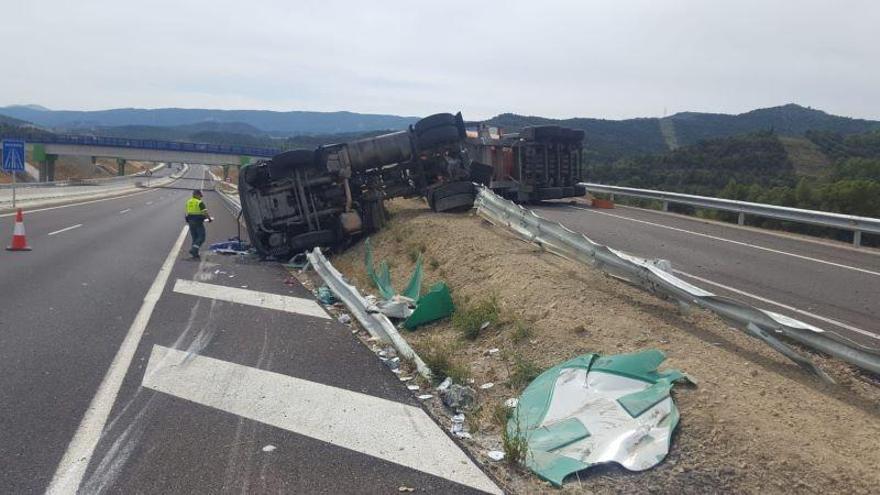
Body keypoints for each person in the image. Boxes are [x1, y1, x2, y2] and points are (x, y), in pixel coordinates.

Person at [185, 190, 213, 259]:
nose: (201, 197)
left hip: (190, 222)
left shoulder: (188, 201)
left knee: (195, 238)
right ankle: (193, 250)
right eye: (200, 196)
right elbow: (205, 212)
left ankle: (195, 254)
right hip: (198, 222)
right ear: (197, 195)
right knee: (202, 237)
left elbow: (187, 212)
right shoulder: (199, 202)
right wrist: (209, 219)